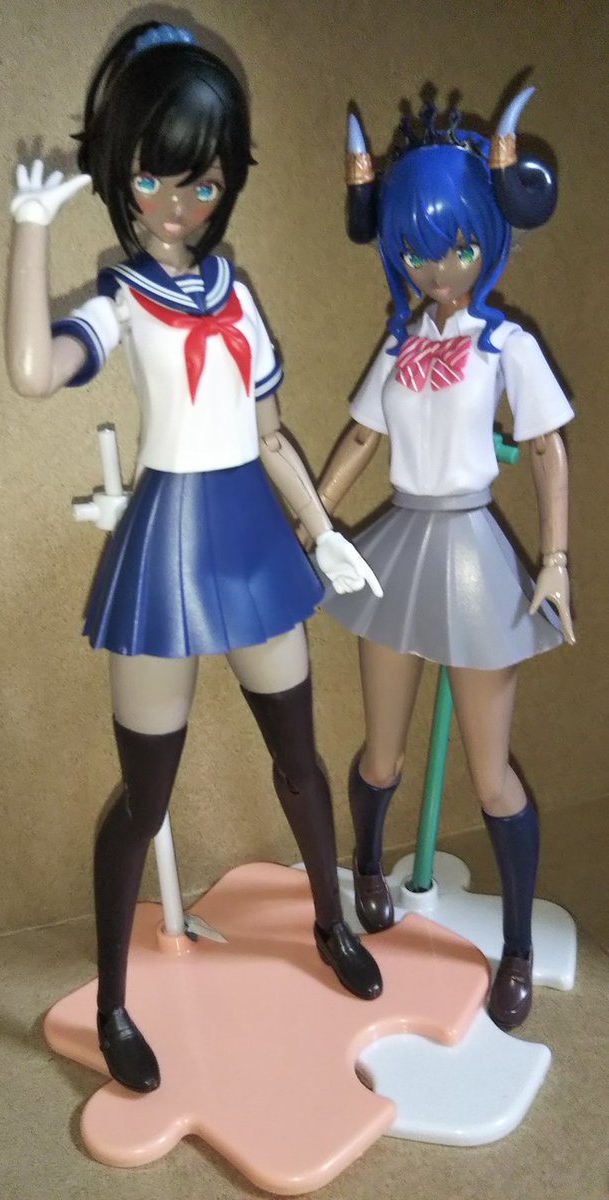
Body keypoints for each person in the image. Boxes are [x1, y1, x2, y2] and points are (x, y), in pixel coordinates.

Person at [5, 21, 383, 1095]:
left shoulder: (237, 296)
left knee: (301, 760)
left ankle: (330, 921)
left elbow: (270, 436)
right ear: (119, 173)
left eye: (202, 183)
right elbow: (34, 371)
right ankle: (115, 1000)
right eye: (153, 179)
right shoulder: (124, 298)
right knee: (145, 796)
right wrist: (30, 231)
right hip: (169, 546)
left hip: (252, 542)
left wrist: (322, 531)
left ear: (227, 185)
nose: (177, 206)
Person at [309, 89, 574, 1031]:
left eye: (455, 246)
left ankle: (516, 944)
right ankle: (366, 868)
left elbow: (545, 448)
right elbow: (359, 436)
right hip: (396, 549)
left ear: (487, 240)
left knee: (491, 776)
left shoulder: (505, 344)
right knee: (381, 753)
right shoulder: (399, 343)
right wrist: (312, 517)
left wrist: (554, 559)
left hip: (471, 553)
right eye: (418, 251)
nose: (437, 267)